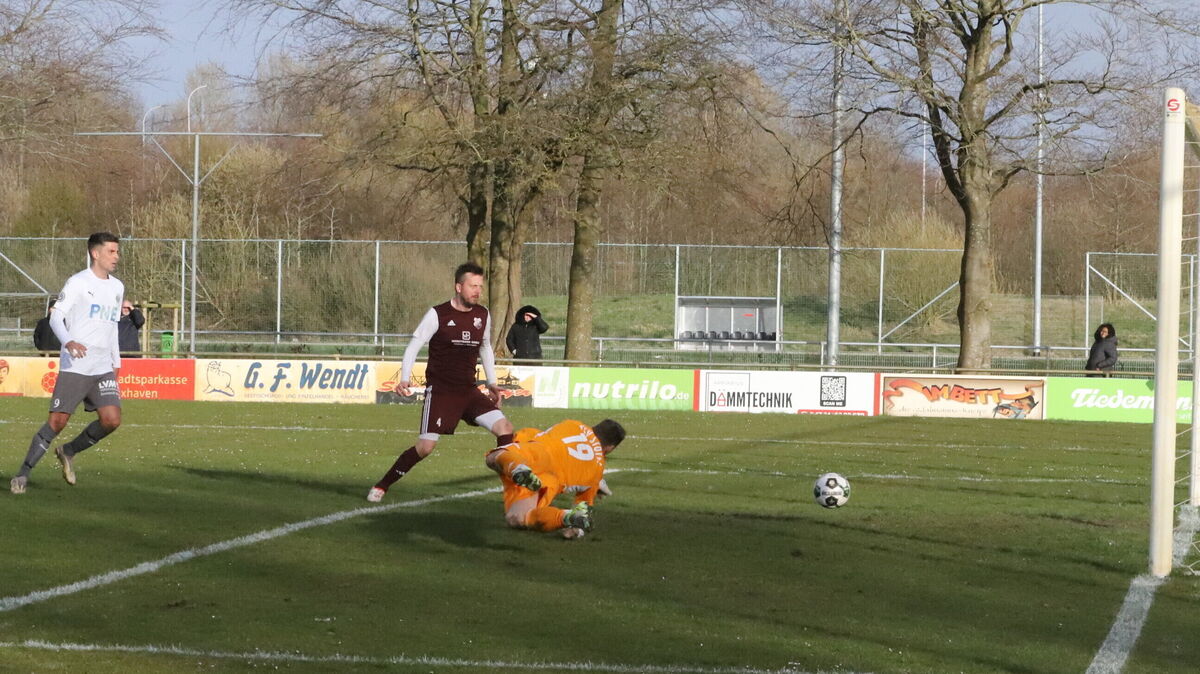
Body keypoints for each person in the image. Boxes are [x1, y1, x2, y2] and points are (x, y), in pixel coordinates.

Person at [367, 262, 515, 502]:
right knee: (425, 447)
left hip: (469, 391)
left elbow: (485, 346)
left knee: (505, 428)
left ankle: (511, 488)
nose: (477, 291)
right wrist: (404, 378)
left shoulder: (483, 315)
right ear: (459, 287)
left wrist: (491, 382)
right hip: (441, 393)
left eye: (480, 286)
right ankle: (382, 485)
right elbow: (414, 346)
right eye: (472, 286)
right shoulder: (438, 314)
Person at [11, 232, 124, 494]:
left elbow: (112, 328)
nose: (116, 256)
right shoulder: (77, 282)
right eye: (111, 251)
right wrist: (69, 341)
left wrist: (116, 361)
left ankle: (69, 451)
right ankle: (23, 474)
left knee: (112, 420)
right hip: (77, 365)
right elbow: (55, 317)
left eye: (117, 251)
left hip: (102, 367)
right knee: (57, 422)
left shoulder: (117, 287)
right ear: (95, 253)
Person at [484, 418, 625, 538]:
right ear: (609, 448)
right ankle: (565, 517)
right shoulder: (597, 470)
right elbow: (583, 506)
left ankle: (517, 468)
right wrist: (577, 530)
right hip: (548, 482)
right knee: (517, 518)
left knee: (493, 457)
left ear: (594, 427)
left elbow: (536, 434)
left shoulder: (573, 424)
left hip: (540, 455)